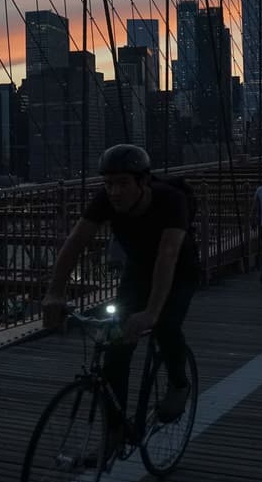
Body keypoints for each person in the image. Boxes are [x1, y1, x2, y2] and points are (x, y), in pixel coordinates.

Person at [42, 144, 198, 458]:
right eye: (109, 183)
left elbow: (168, 256)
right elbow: (75, 243)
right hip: (138, 271)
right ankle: (113, 435)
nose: (114, 191)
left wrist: (151, 312)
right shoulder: (105, 201)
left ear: (143, 182)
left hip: (179, 271)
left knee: (166, 324)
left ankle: (179, 384)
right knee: (115, 351)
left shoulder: (171, 201)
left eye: (123, 183)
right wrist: (54, 293)